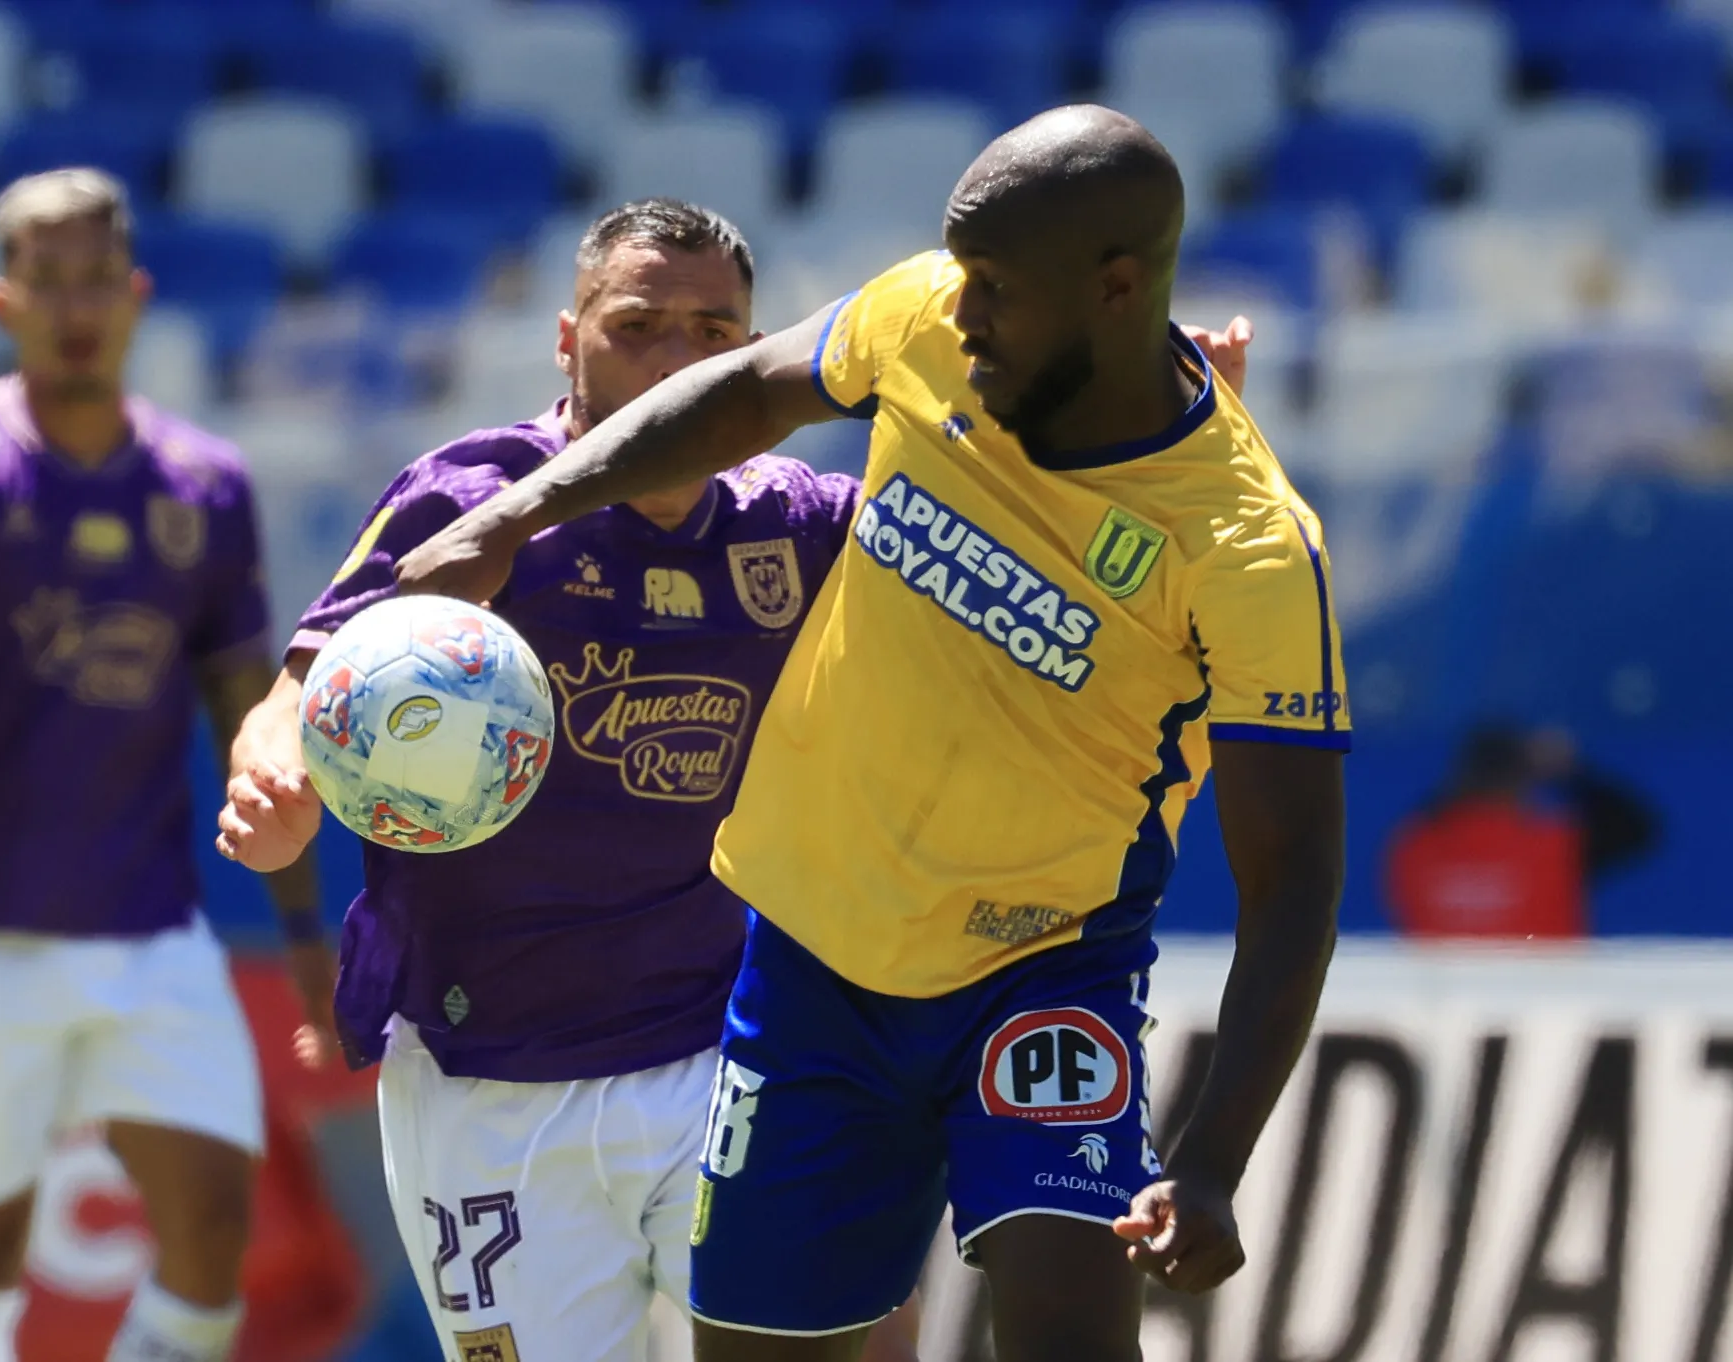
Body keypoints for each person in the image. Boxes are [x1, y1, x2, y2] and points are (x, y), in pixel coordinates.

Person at [215, 195, 1262, 1362]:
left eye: (714, 334)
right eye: (638, 326)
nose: (676, 360)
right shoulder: (472, 502)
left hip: (733, 1052)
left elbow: (1018, 567)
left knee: (856, 1342)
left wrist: (1148, 439)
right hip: (488, 1074)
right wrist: (276, 781)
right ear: (565, 341)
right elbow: (310, 682)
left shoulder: (808, 526)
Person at [0, 168, 334, 1362]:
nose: (74, 303)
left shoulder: (206, 486)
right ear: (4, 302)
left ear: (137, 291)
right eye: (45, 280)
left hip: (149, 936)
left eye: (94, 274)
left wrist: (305, 937)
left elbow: (249, 717)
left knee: (215, 1240)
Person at [1384, 723, 1659, 938]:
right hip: (1548, 1006)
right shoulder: (1556, 848)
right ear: (1525, 779)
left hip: (1442, 1007)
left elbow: (1425, 816)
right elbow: (1637, 827)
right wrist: (1572, 773)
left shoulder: (1415, 850)